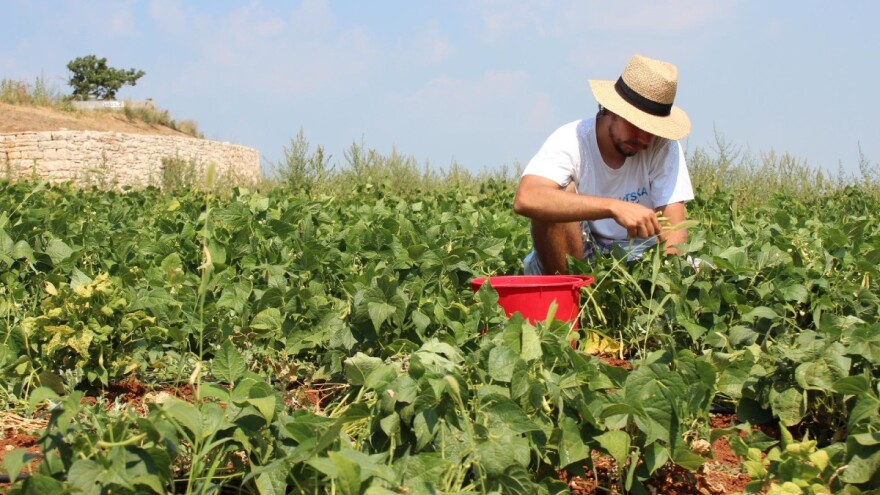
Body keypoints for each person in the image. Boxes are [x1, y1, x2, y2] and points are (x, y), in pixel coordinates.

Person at [513, 54, 694, 275]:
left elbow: (674, 231)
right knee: (559, 195)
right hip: (578, 250)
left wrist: (664, 282)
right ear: (612, 110)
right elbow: (526, 198)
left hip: (638, 256)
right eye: (637, 125)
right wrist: (613, 207)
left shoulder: (663, 146)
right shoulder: (572, 139)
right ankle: (569, 294)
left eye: (653, 130)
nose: (645, 139)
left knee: (702, 275)